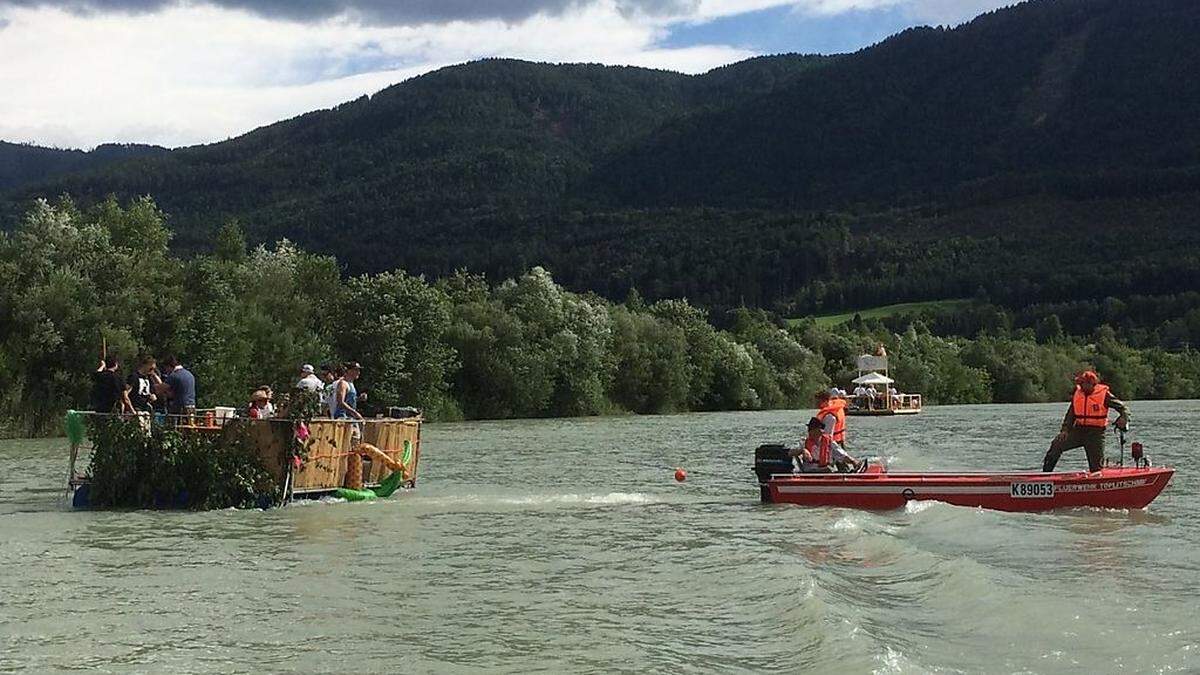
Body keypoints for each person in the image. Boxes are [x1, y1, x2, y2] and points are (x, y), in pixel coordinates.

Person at [1042, 370, 1130, 473]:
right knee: (1057, 444)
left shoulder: (1104, 394)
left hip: (1096, 434)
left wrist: (1124, 417)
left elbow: (1123, 407)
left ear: (1093, 384)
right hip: (1079, 431)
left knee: (1096, 468)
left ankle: (1096, 480)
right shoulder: (1078, 395)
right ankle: (1046, 474)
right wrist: (1065, 430)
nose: (1085, 386)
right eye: (1083, 383)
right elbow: (1070, 415)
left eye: (1088, 384)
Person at [814, 390, 861, 470]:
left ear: (825, 401)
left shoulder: (829, 416)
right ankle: (847, 471)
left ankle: (847, 475)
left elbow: (827, 437)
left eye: (818, 401)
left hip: (833, 442)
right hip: (839, 439)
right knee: (842, 464)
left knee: (841, 462)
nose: (815, 404)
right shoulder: (834, 407)